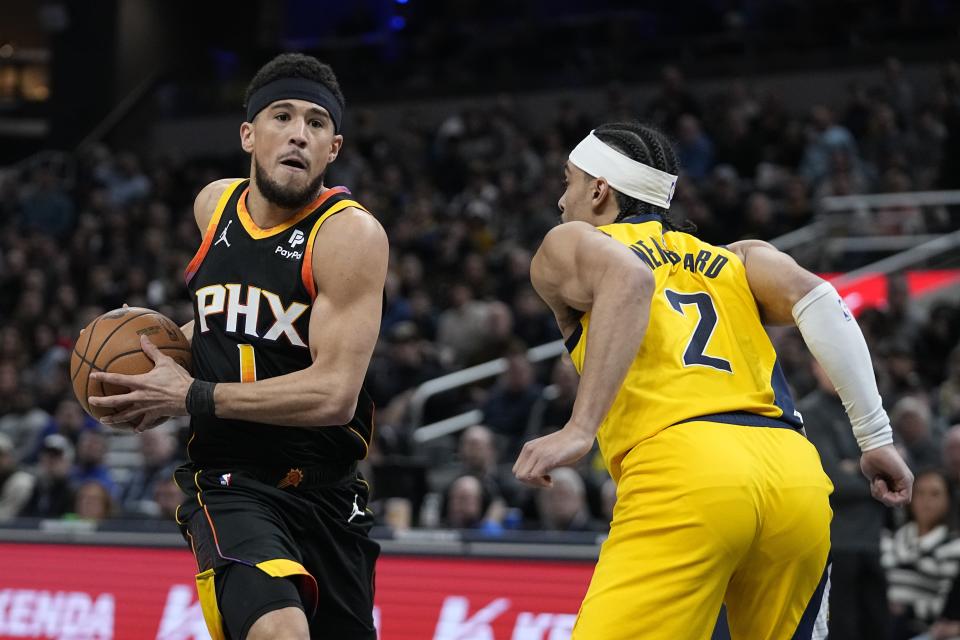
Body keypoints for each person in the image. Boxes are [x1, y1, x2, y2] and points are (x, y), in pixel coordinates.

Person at [512, 121, 913, 639]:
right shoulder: (739, 257)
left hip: (684, 471)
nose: (560, 200)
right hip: (793, 474)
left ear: (598, 189)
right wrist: (875, 436)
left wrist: (579, 428)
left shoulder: (573, 240)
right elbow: (820, 299)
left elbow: (629, 277)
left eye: (568, 180)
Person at [87, 53, 388, 640]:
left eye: (317, 123)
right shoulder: (213, 205)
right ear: (249, 134)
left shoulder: (349, 234)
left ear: (334, 148)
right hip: (230, 480)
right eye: (282, 116)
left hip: (328, 491)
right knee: (280, 631)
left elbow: (334, 395)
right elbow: (221, 324)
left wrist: (193, 394)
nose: (299, 133)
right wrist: (160, 369)